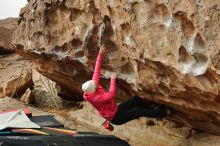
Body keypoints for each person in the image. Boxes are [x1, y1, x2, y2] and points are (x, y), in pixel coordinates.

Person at [82, 45, 168, 125]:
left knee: (136, 100)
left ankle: (152, 111)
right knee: (139, 111)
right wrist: (113, 80)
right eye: (96, 85)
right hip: (116, 117)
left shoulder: (92, 87)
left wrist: (100, 54)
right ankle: (163, 113)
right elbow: (111, 94)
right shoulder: (97, 99)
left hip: (116, 109)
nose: (97, 83)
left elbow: (97, 71)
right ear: (93, 90)